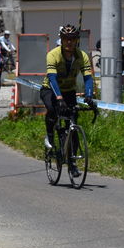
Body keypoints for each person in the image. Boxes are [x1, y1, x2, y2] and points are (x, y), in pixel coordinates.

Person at [42, 24, 95, 173]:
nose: (69, 42)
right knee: (52, 109)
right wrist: (59, 98)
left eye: (72, 39)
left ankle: (72, 163)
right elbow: (52, 78)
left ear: (77, 40)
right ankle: (50, 137)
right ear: (61, 39)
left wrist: (89, 95)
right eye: (66, 39)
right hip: (50, 90)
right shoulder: (53, 55)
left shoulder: (82, 56)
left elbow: (88, 78)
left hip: (69, 91)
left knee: (73, 123)